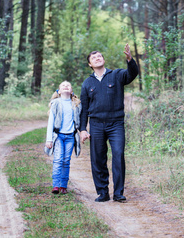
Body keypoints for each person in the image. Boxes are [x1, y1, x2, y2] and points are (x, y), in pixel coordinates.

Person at [79, 43, 138, 202]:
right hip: (97, 125)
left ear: (103, 60)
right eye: (94, 57)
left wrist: (130, 60)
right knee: (98, 158)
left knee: (118, 154)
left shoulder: (116, 75)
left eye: (99, 56)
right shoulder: (87, 84)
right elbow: (84, 109)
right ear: (90, 64)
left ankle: (118, 193)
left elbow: (132, 74)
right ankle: (103, 193)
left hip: (116, 124)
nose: (98, 58)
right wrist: (83, 129)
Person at [44, 81, 81, 195]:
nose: (66, 86)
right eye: (63, 85)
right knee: (58, 160)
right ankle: (56, 185)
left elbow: (80, 120)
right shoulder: (56, 103)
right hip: (58, 136)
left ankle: (63, 186)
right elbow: (51, 122)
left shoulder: (75, 104)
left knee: (66, 161)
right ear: (59, 91)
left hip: (70, 136)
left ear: (71, 91)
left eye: (68, 85)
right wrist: (49, 139)